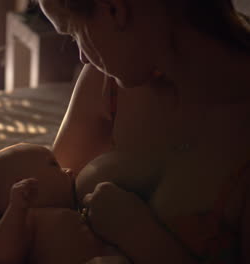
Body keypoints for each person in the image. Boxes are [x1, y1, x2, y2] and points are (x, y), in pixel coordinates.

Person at [35, 0, 250, 263]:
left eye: (73, 31)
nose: (81, 55)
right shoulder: (106, 84)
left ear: (115, 10)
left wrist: (138, 236)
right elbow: (46, 194)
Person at [0, 143, 161, 264]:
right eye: (54, 165)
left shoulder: (73, 209)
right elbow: (5, 256)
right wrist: (16, 208)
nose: (69, 170)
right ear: (25, 185)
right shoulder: (29, 218)